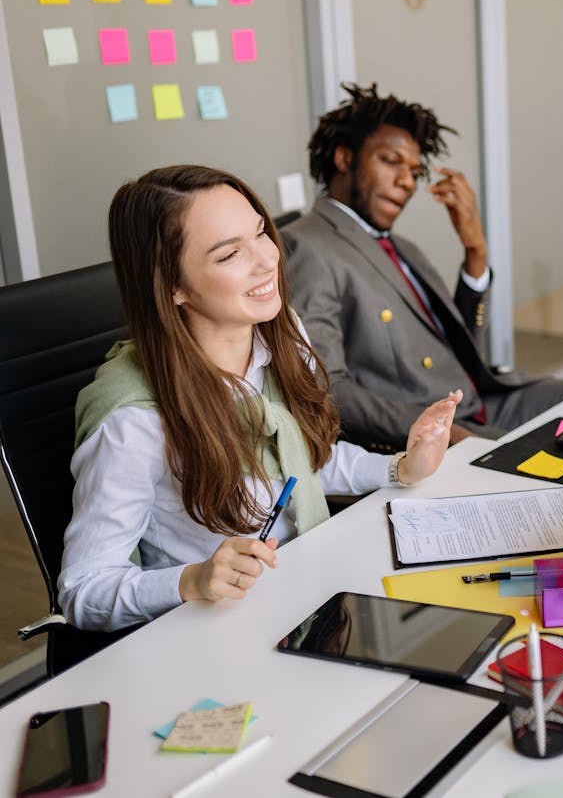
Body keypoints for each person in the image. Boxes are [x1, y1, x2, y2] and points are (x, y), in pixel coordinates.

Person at [58, 166, 460, 632]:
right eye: (230, 254)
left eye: (261, 233)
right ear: (172, 286)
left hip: (314, 595)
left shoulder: (281, 337)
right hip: (217, 632)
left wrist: (400, 469)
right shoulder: (134, 420)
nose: (267, 259)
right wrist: (193, 580)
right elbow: (83, 590)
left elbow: (302, 463)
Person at [284, 83, 563, 449]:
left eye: (413, 170)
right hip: (439, 426)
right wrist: (437, 431)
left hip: (490, 399)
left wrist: (475, 251)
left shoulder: (401, 247)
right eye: (391, 161)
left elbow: (464, 346)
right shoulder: (306, 246)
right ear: (345, 159)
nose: (407, 181)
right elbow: (330, 390)